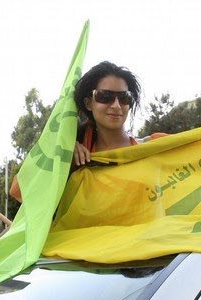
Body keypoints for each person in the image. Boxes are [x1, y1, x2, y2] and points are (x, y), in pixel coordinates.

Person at [9, 61, 141, 202]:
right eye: (105, 96)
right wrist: (62, 158)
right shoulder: (75, 155)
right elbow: (21, 191)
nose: (116, 105)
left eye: (124, 97)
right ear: (88, 103)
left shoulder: (150, 149)